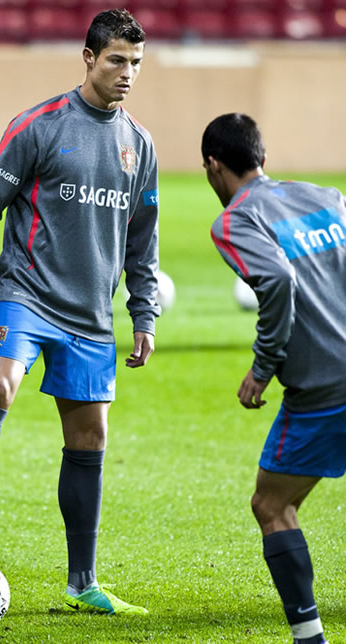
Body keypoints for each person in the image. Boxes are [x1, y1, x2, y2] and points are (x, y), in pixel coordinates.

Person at [0, 8, 160, 616]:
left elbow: (142, 241)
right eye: (115, 61)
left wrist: (144, 315)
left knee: (90, 435)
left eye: (135, 63)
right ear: (88, 57)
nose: (126, 74)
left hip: (89, 318)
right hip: (24, 295)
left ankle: (81, 582)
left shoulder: (140, 146)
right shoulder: (39, 125)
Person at [201, 112, 346, 644]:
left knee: (272, 504)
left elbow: (279, 278)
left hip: (326, 388)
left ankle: (309, 638)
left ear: (214, 166)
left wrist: (263, 367)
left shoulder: (235, 221)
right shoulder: (327, 196)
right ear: (262, 156)